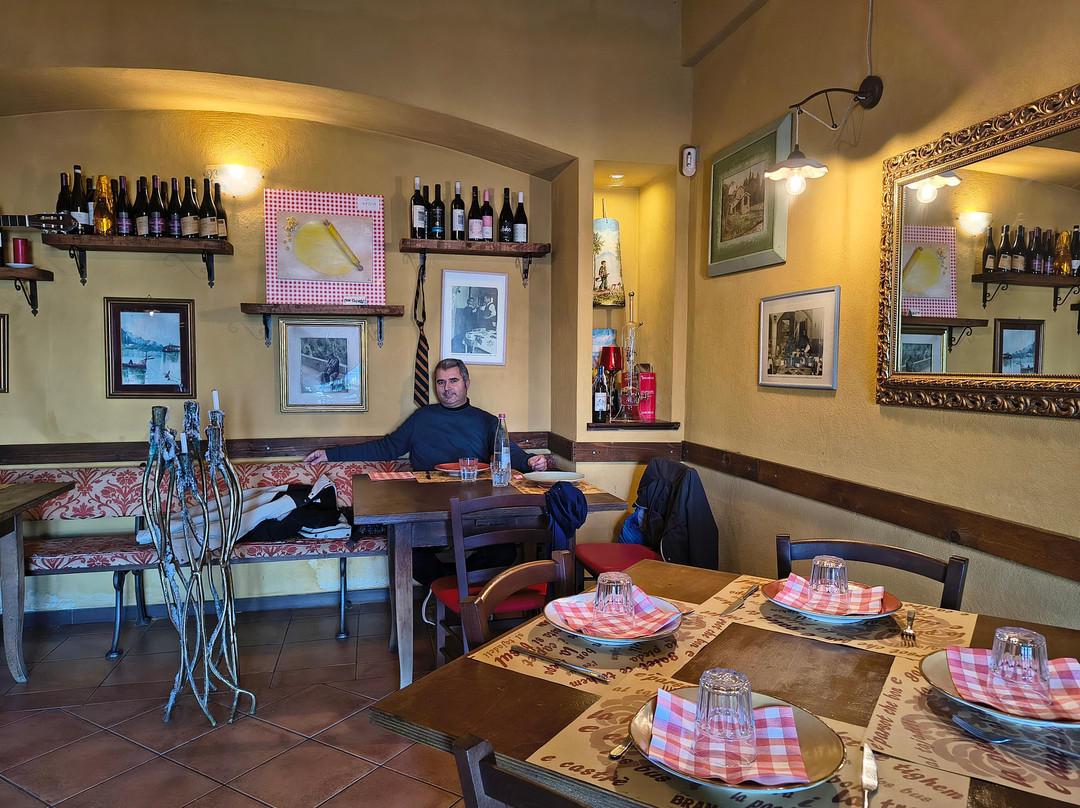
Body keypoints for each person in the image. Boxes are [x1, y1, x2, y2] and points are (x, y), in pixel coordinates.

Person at [304, 358, 548, 585]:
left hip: (474, 508)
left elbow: (507, 452)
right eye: (441, 382)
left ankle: (454, 592)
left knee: (504, 551)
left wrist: (530, 461)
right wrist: (331, 454)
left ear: (466, 383)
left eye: (453, 381)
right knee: (410, 555)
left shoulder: (487, 421)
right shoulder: (422, 418)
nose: (447, 388)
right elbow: (387, 448)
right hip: (427, 509)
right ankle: (455, 590)